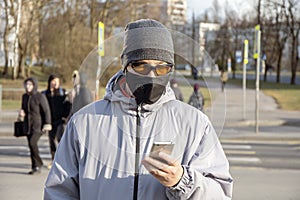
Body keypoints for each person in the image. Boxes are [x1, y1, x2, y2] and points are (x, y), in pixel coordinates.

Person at [44, 19, 232, 199]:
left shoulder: (194, 123)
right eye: (141, 66)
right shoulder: (84, 123)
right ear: (125, 66)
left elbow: (220, 193)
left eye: (162, 68)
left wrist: (182, 181)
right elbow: (59, 192)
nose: (152, 75)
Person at [19, 77, 52, 175]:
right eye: (26, 84)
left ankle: (38, 164)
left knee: (33, 143)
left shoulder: (40, 96)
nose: (28, 86)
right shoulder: (24, 96)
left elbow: (46, 110)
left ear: (34, 85)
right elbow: (24, 108)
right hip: (28, 125)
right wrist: (21, 113)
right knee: (30, 145)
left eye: (30, 84)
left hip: (38, 125)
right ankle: (34, 166)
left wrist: (47, 123)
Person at [43, 74, 71, 169]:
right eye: (53, 81)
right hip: (50, 121)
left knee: (60, 140)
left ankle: (64, 161)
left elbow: (68, 105)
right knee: (52, 141)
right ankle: (54, 160)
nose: (55, 84)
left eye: (57, 82)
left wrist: (66, 117)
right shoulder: (45, 93)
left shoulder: (63, 92)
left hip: (61, 120)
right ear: (50, 82)